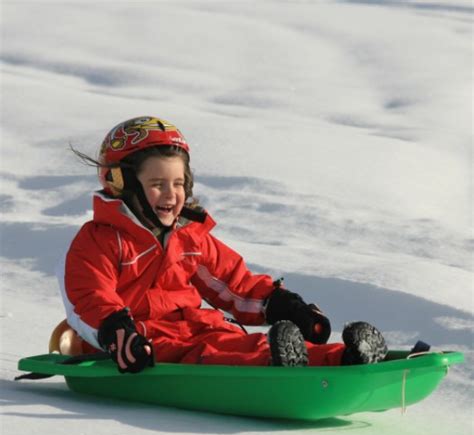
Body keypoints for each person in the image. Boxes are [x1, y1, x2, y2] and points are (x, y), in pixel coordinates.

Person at [57, 116, 387, 373]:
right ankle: (275, 368)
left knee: (241, 341)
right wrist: (117, 333)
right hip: (141, 344)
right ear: (122, 185)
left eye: (178, 183)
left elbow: (234, 283)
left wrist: (282, 304)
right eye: (157, 184)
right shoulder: (99, 240)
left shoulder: (189, 238)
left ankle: (344, 358)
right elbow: (89, 298)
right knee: (211, 355)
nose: (171, 195)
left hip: (195, 327)